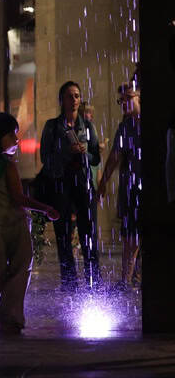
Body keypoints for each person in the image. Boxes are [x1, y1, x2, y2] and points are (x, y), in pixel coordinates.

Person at [0, 112, 60, 334]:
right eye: (12, 135)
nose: (17, 140)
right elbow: (18, 199)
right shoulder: (6, 165)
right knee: (19, 271)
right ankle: (9, 317)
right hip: (15, 225)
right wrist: (46, 208)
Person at [39, 81, 102, 291]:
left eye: (77, 96)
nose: (74, 100)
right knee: (63, 234)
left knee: (88, 234)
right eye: (69, 96)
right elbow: (44, 158)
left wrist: (85, 151)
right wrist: (66, 151)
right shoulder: (52, 126)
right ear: (62, 100)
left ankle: (94, 280)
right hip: (61, 184)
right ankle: (69, 282)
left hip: (83, 184)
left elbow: (95, 158)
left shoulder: (87, 126)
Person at [97, 84, 142, 289]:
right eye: (121, 100)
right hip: (132, 187)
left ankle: (133, 277)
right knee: (130, 235)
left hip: (144, 187)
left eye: (128, 98)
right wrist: (103, 182)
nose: (123, 103)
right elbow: (115, 156)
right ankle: (127, 278)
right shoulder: (126, 126)